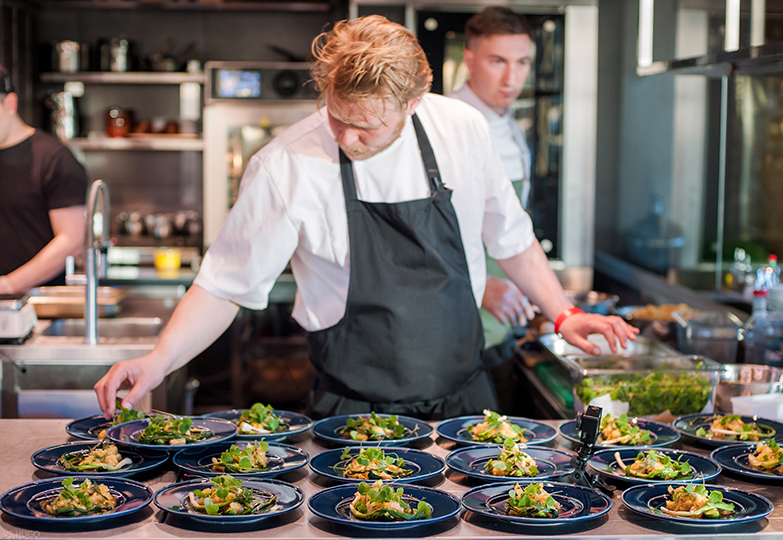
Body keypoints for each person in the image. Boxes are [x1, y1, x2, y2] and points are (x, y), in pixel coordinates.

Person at [94, 15, 637, 420]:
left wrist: (563, 314)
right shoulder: (287, 163)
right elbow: (225, 285)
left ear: (414, 101)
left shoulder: (463, 130)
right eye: (336, 116)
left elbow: (510, 236)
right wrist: (161, 359)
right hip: (352, 413)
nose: (346, 138)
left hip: (467, 404)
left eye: (366, 127)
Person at [449, 7, 536, 412]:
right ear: (469, 59)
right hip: (459, 325)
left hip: (500, 326)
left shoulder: (511, 125)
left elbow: (509, 228)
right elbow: (425, 233)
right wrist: (481, 284)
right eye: (497, 61)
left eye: (522, 63)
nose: (511, 78)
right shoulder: (448, 125)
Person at [0, 64, 87, 295]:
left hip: (36, 303)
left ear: (10, 104)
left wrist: (9, 284)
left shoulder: (54, 158)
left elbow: (71, 239)